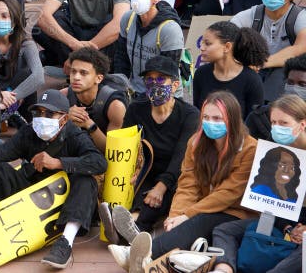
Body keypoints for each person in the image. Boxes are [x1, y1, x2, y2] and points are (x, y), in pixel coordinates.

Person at [108, 91, 257, 268]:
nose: (210, 123)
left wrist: (187, 215)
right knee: (185, 222)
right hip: (203, 208)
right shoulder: (196, 142)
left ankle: (137, 253)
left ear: (232, 119)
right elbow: (188, 184)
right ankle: (145, 258)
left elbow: (228, 193)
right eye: (206, 117)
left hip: (236, 213)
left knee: (199, 220)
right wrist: (176, 217)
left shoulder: (250, 148)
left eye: (217, 118)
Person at [0, 89, 107, 268]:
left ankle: (65, 243)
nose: (42, 118)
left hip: (65, 202)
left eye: (49, 114)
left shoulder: (75, 135)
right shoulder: (28, 132)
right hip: (32, 196)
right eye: (38, 113)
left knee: (86, 180)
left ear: (64, 119)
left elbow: (99, 162)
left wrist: (58, 163)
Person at [101, 55, 199, 237]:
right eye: (149, 79)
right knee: (135, 189)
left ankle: (131, 226)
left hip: (176, 174)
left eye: (161, 79)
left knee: (158, 197)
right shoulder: (136, 109)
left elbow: (182, 155)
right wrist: (131, 170)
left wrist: (161, 187)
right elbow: (127, 145)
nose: (155, 84)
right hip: (145, 170)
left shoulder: (189, 114)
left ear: (175, 85)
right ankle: (129, 226)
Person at [211, 95, 306, 273]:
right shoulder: (272, 151)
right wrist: (287, 226)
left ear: (302, 125)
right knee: (224, 231)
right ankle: (224, 269)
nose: (277, 128)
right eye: (274, 122)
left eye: (283, 123)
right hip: (281, 220)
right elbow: (271, 202)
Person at [230, 0, 306, 102]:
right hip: (253, 68)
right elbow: (226, 38)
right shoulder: (251, 15)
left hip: (288, 72)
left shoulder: (300, 17)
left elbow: (300, 48)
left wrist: (261, 63)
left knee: (274, 83)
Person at [0, 0, 45, 120]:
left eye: (4, 16)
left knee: (27, 74)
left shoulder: (25, 44)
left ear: (15, 20)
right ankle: (2, 117)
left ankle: (24, 122)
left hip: (15, 95)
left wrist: (11, 98)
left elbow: (39, 77)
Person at [114, 0, 185, 95]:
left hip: (164, 95)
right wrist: (120, 90)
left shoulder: (169, 29)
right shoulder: (128, 18)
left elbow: (168, 73)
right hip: (134, 91)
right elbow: (121, 59)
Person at [193, 21, 269, 118]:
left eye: (207, 44)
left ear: (227, 47)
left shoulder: (251, 80)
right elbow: (197, 113)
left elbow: (254, 122)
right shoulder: (201, 74)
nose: (202, 47)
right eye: (201, 43)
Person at [65, 47, 127, 152]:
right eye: (73, 71)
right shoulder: (63, 96)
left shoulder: (115, 106)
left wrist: (89, 125)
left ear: (99, 78)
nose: (76, 77)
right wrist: (64, 118)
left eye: (83, 73)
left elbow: (112, 151)